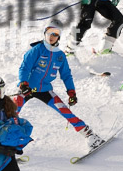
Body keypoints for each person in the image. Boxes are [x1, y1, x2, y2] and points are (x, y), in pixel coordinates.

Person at [18, 21, 105, 149]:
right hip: (28, 88)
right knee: (12, 112)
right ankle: (5, 141)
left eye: (56, 33)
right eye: (49, 32)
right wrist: (23, 84)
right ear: (45, 34)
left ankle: (90, 136)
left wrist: (71, 92)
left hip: (45, 90)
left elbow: (66, 75)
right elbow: (24, 68)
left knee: (65, 110)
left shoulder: (60, 55)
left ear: (59, 37)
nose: (52, 36)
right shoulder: (36, 50)